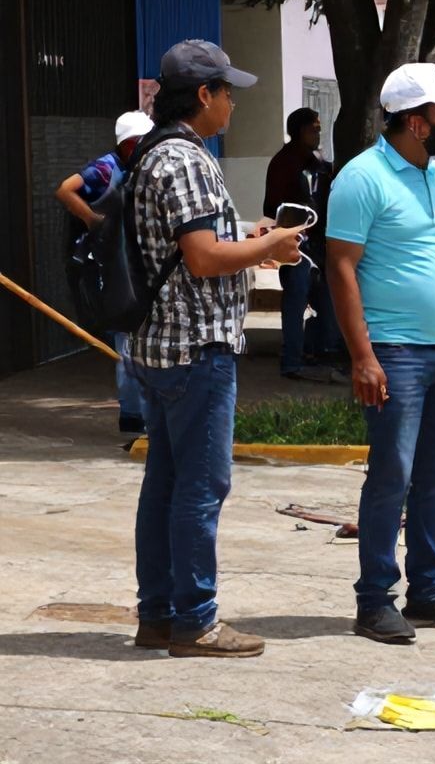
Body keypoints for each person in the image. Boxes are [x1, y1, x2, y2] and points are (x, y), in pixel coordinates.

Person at [130, 40, 303, 658]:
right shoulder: (187, 160)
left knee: (167, 485)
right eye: (228, 91)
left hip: (161, 346)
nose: (233, 101)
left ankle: (158, 615)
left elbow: (193, 246)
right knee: (201, 489)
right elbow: (204, 259)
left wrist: (250, 237)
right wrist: (272, 244)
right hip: (194, 346)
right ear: (203, 95)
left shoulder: (157, 152)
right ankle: (196, 621)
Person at [327, 62, 435, 644]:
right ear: (415, 123)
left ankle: (428, 592)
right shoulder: (361, 177)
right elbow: (340, 266)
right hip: (394, 353)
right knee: (391, 476)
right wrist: (363, 356)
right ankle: (374, 600)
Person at [57, 110, 153, 432]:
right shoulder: (106, 168)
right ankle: (132, 417)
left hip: (136, 267)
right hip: (114, 270)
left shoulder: (141, 168)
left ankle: (145, 414)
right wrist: (94, 220)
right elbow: (65, 190)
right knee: (128, 346)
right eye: (143, 140)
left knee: (141, 343)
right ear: (129, 143)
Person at [263, 107, 341, 382]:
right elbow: (273, 206)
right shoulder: (284, 163)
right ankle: (292, 361)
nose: (318, 134)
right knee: (295, 301)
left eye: (320, 129)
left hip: (321, 243)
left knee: (326, 300)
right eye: (313, 129)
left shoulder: (318, 164)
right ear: (298, 131)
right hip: (295, 243)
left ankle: (318, 350)